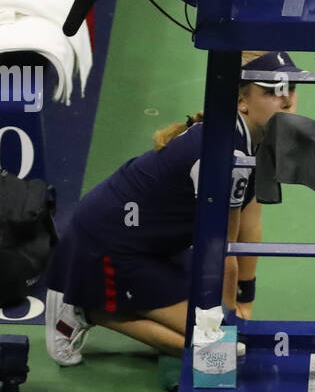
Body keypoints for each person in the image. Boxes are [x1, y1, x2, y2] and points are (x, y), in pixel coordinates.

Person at [44, 51, 298, 364]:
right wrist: (229, 325)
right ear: (242, 102)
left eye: (291, 88)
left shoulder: (258, 141)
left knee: (218, 335)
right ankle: (87, 307)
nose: (287, 100)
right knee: (221, 352)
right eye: (272, 91)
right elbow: (224, 253)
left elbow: (250, 221)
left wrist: (246, 295)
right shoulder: (226, 156)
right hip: (109, 246)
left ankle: (110, 298)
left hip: (159, 246)